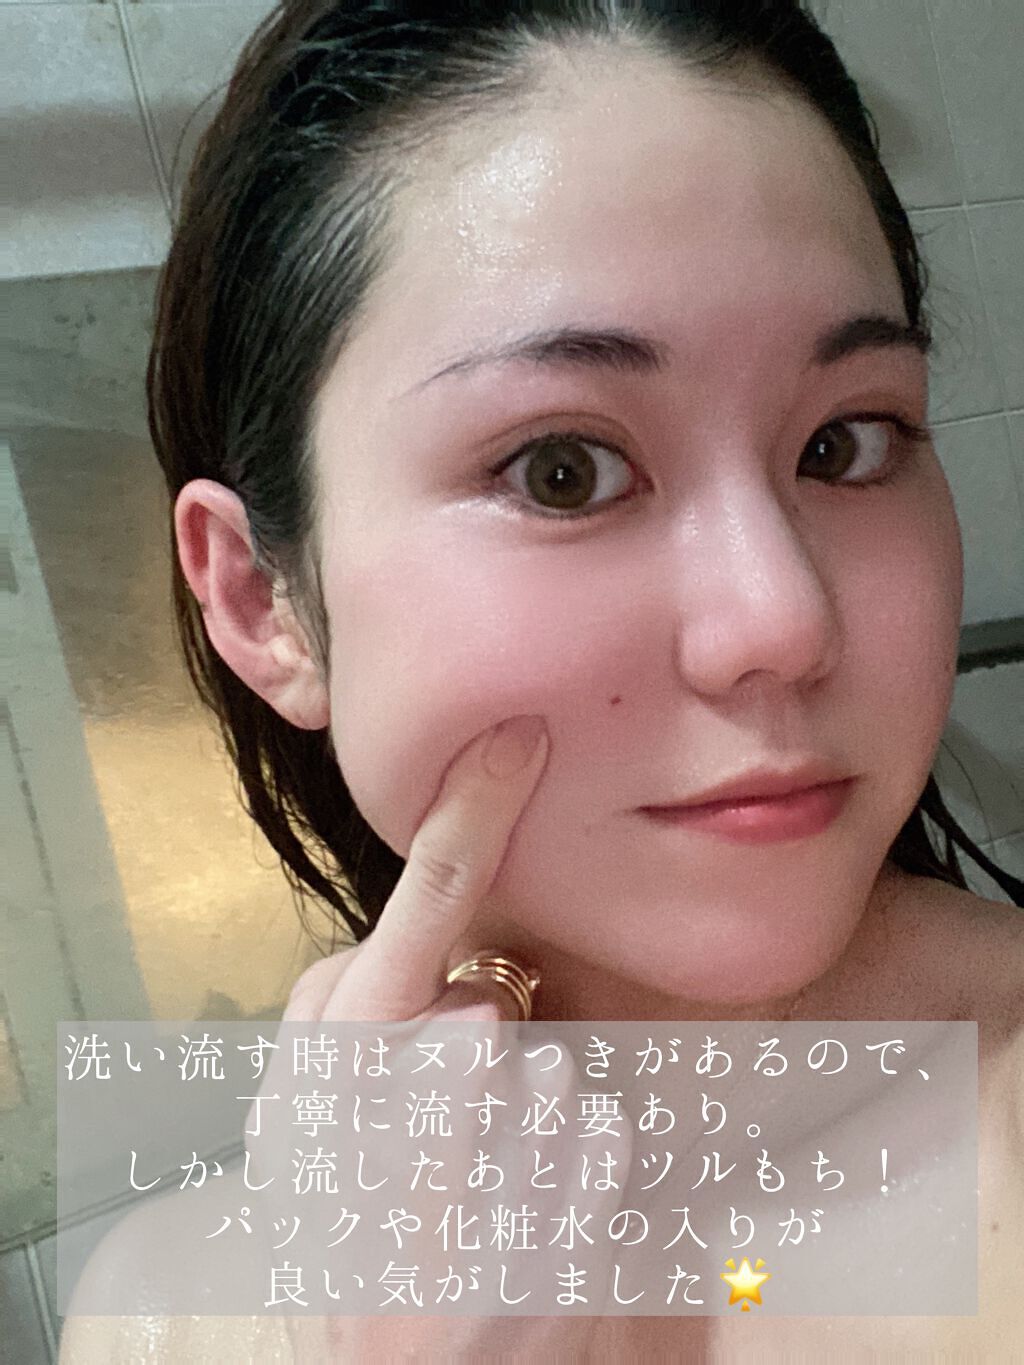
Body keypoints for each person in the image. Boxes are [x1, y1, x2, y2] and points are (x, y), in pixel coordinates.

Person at [61, 0, 1022, 1358]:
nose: (784, 619)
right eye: (562, 471)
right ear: (263, 601)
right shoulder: (162, 1314)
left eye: (845, 442)